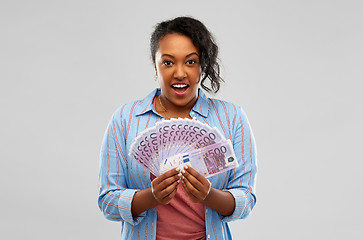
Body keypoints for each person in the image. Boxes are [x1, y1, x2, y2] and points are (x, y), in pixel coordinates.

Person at [98, 16, 257, 240]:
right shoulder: (125, 119)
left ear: (202, 66)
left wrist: (210, 196)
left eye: (190, 61)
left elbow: (246, 197)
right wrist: (150, 197)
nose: (180, 73)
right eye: (168, 62)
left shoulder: (232, 118)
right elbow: (107, 200)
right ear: (155, 66)